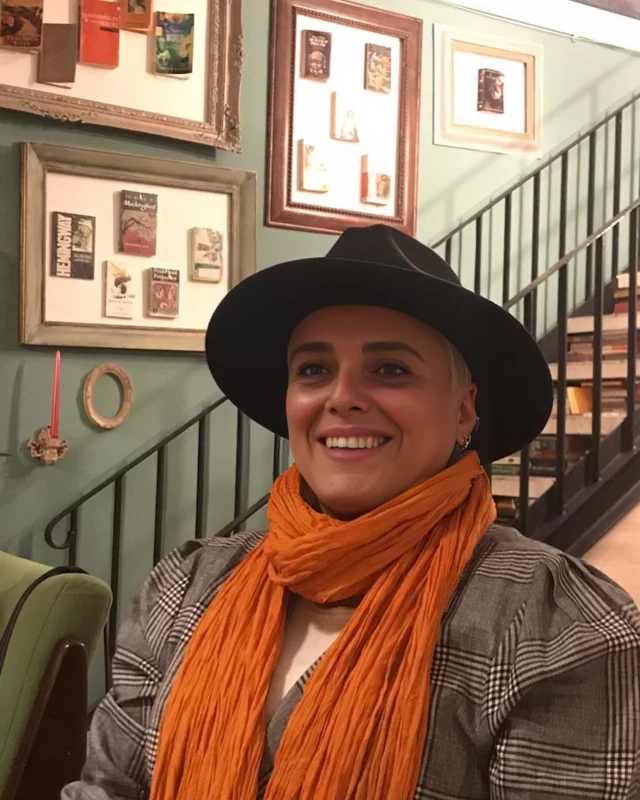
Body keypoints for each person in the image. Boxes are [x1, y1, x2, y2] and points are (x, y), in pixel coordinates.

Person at [63, 224, 640, 800]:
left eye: (391, 369)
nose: (341, 398)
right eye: (313, 370)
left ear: (464, 412)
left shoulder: (560, 627)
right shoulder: (185, 586)